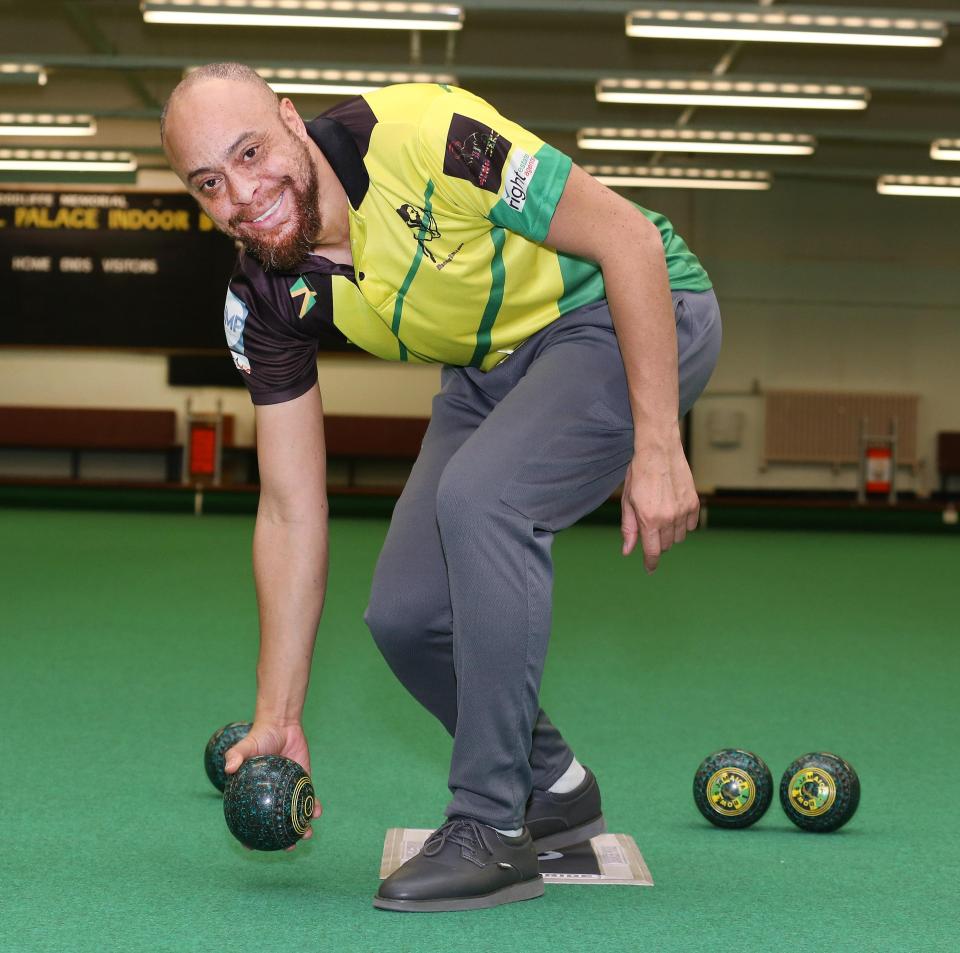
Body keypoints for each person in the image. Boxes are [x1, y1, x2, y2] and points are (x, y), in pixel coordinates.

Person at [161, 62, 721, 912]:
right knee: (407, 613)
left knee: (484, 500)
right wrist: (279, 714)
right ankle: (554, 786)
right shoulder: (265, 296)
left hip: (628, 312)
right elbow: (288, 507)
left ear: (289, 119)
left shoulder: (429, 135)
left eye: (250, 151)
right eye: (209, 183)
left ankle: (492, 829)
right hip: (491, 368)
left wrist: (658, 442)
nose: (243, 192)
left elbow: (628, 240)